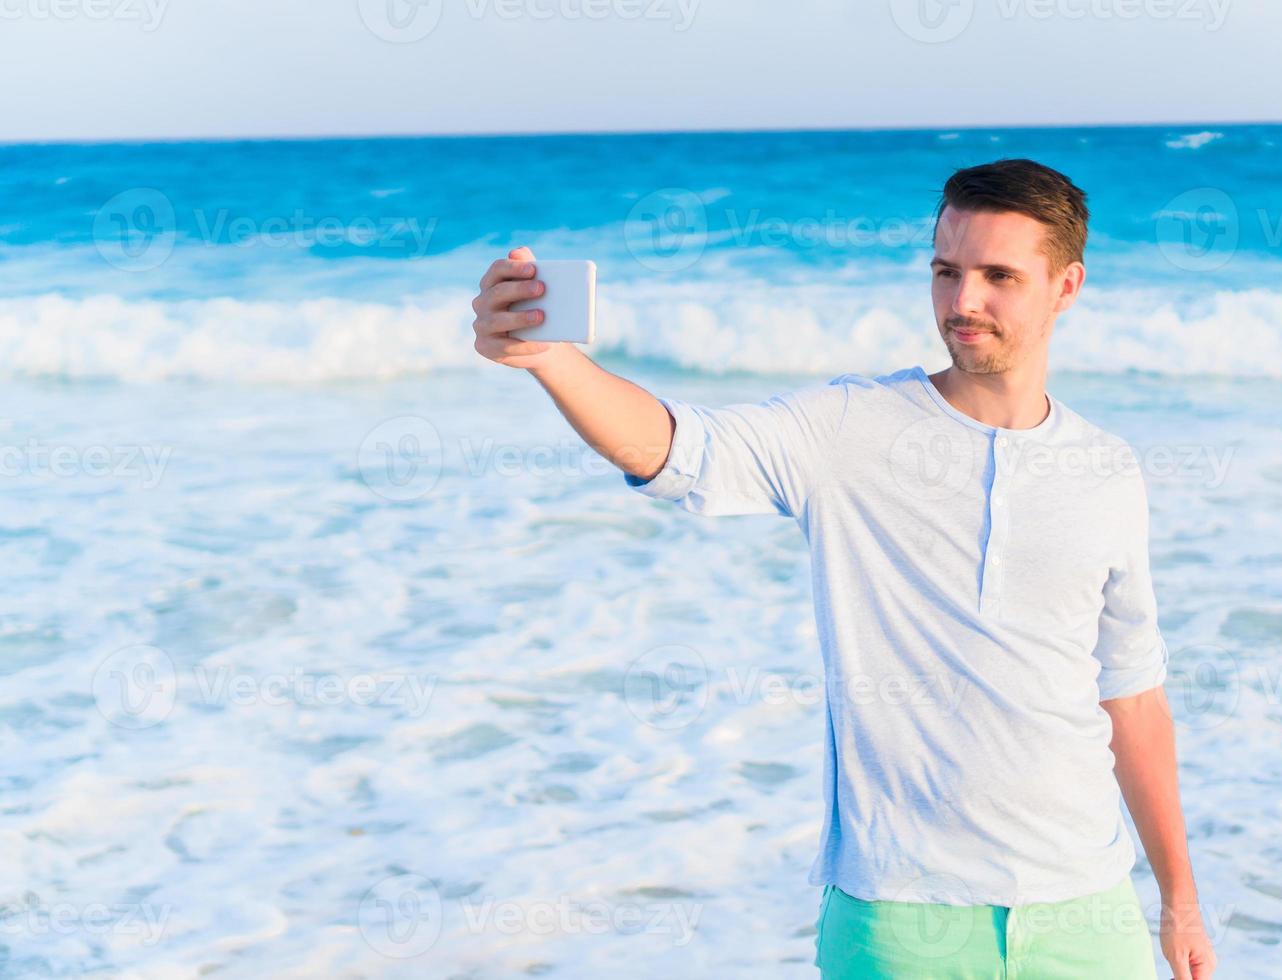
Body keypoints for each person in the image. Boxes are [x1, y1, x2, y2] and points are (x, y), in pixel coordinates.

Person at [471, 158, 1218, 980]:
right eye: (946, 272)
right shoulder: (849, 429)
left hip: (1088, 915)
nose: (963, 302)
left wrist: (1179, 898)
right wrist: (553, 362)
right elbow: (679, 450)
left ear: (1065, 287)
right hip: (898, 920)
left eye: (999, 276)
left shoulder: (1107, 471)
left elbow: (1132, 696)